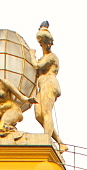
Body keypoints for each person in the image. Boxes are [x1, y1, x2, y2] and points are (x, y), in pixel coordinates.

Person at [33, 22, 67, 151]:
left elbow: (37, 67)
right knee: (38, 115)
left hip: (49, 83)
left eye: (46, 42)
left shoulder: (52, 57)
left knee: (46, 112)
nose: (44, 45)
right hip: (41, 86)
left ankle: (46, 140)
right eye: (42, 43)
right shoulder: (42, 57)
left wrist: (31, 55)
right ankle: (60, 143)